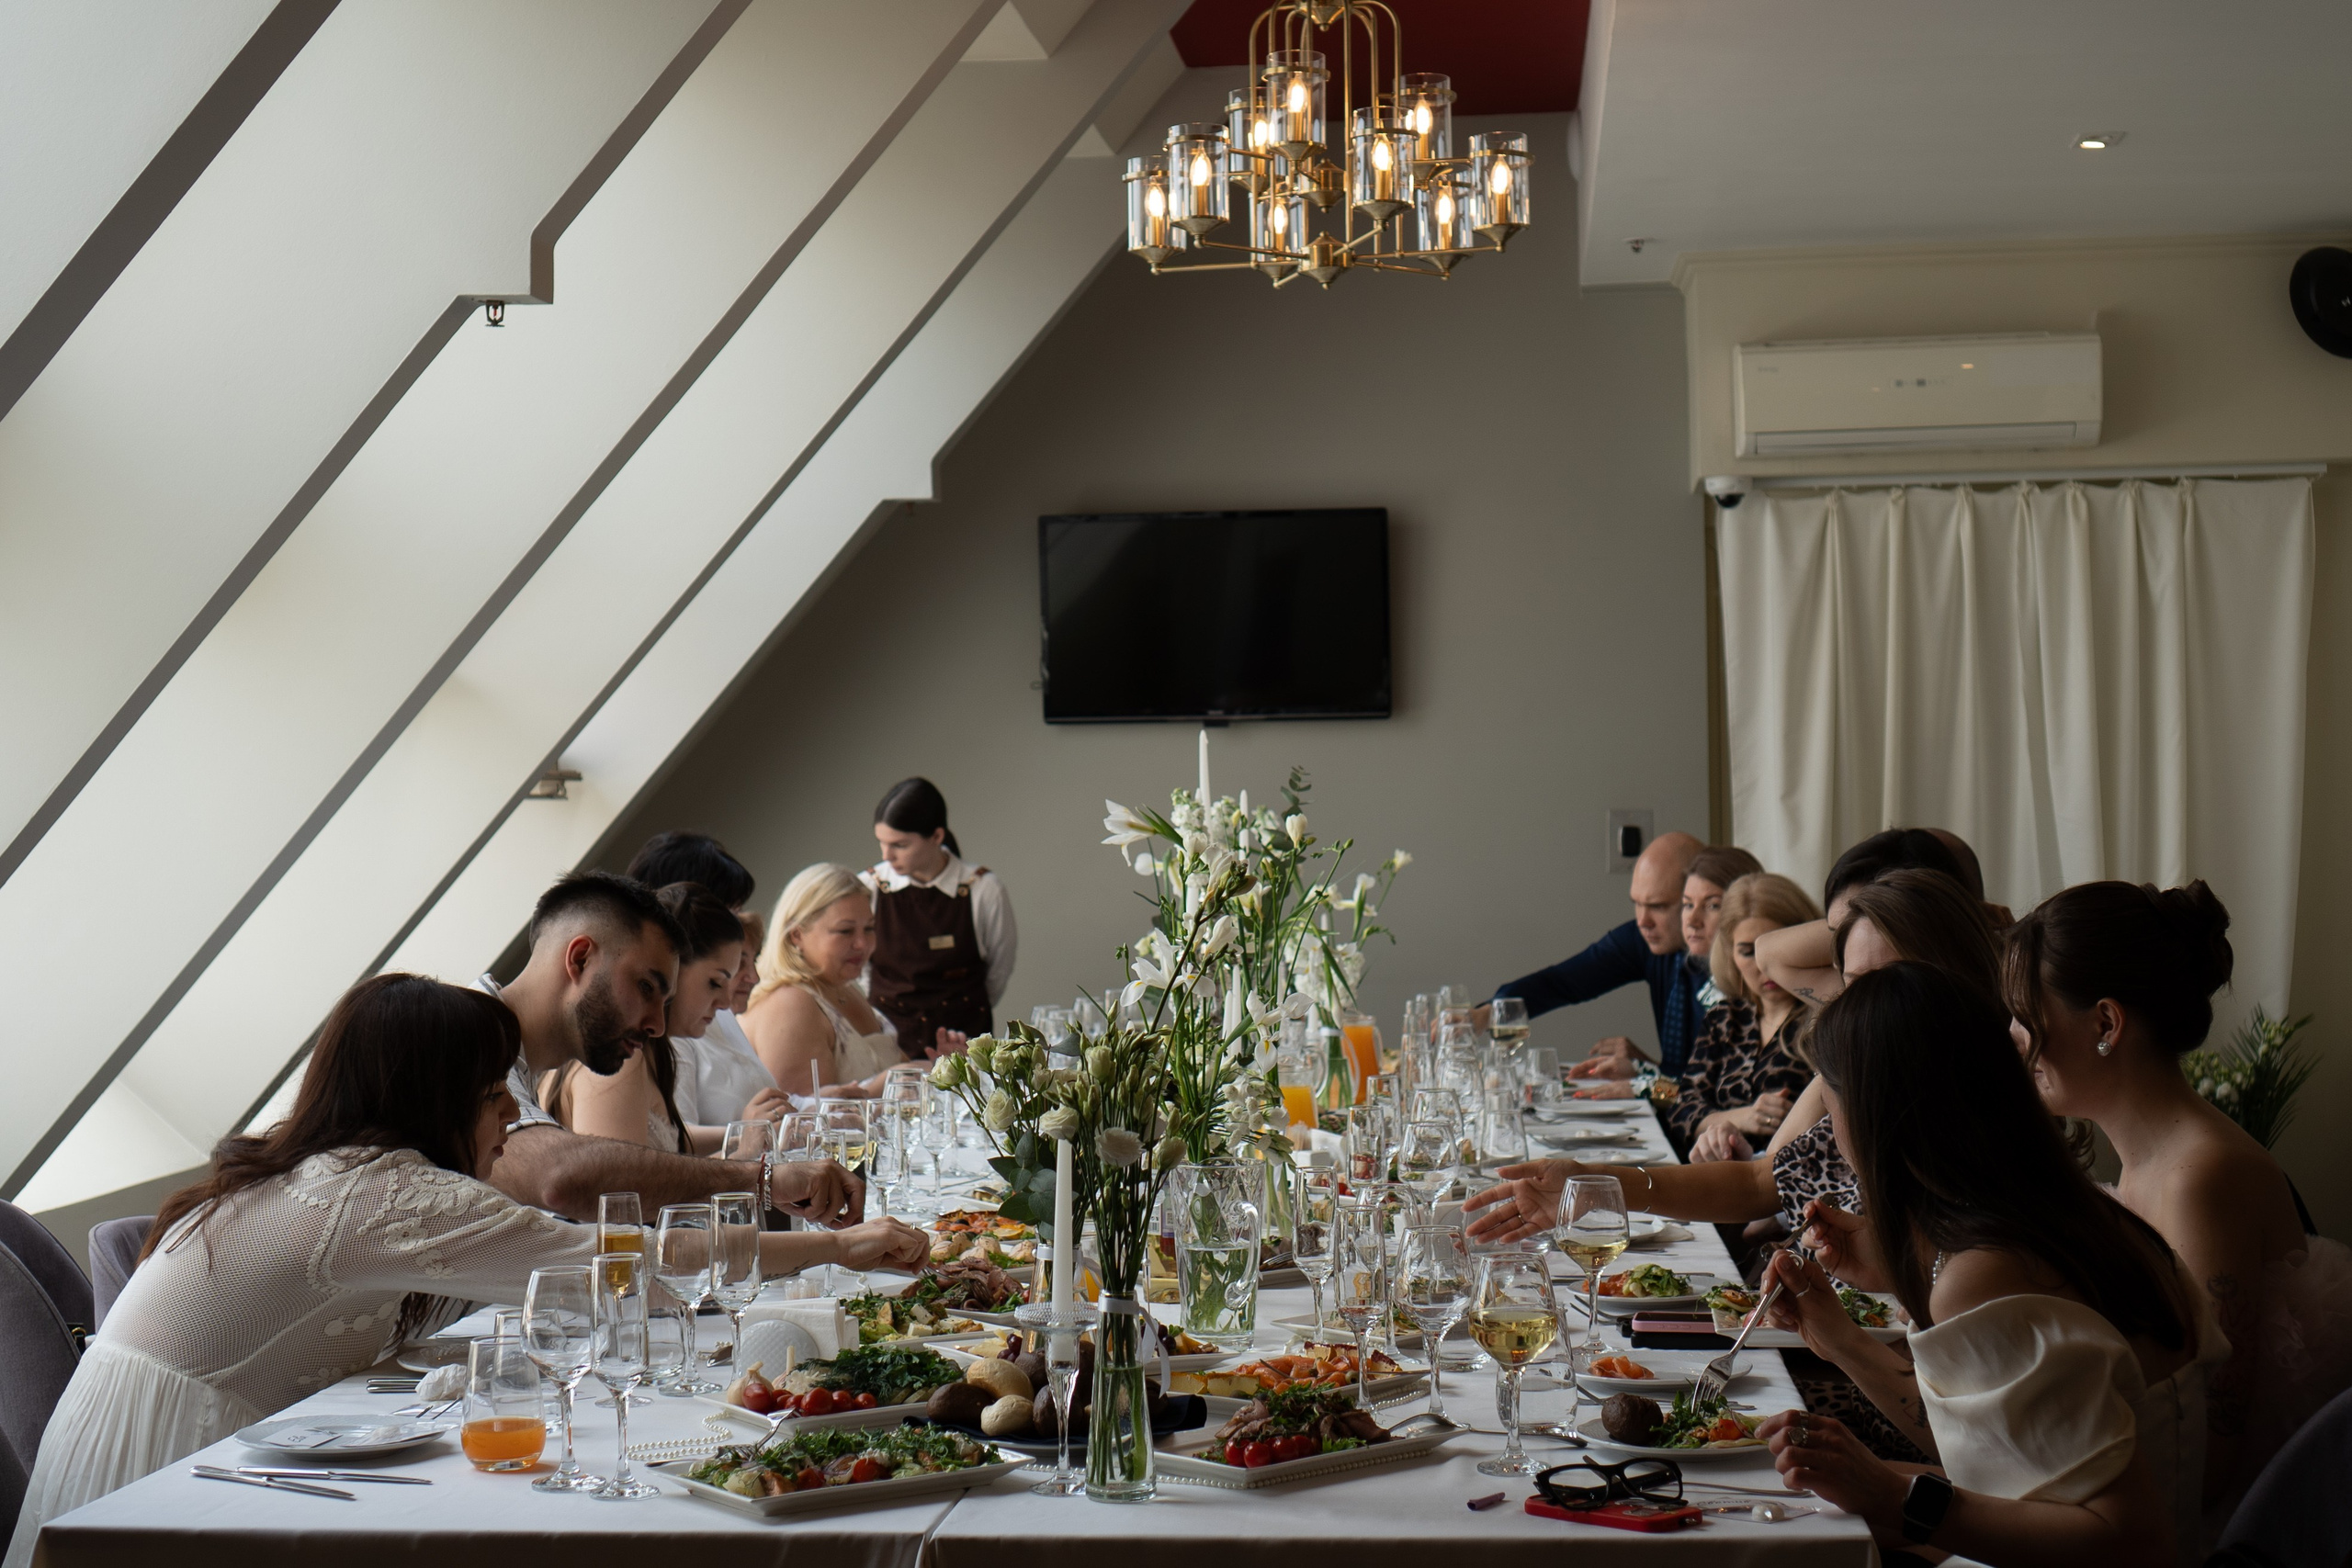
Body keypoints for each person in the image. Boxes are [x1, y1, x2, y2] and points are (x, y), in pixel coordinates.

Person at [4, 976, 605, 1568]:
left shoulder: (318, 1172)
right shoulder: (380, 1191)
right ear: (432, 1096)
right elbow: (602, 1266)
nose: (510, 1110)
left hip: (125, 1452)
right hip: (168, 1474)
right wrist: (692, 1227)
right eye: (490, 1088)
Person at [1752, 962, 2222, 1568]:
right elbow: (2006, 1456)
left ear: (1875, 1116)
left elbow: (2133, 1540)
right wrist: (1840, 1336)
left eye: (1830, 1098)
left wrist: (1896, 1495)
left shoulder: (1989, 1273)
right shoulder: (2080, 1218)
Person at [2005, 880, 2352, 1534]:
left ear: (2106, 1023)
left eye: (2025, 1014)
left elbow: (2206, 1457)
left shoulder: (2201, 1179)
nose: (2014, 1037)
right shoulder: (2151, 1162)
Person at [478, 873, 920, 1267]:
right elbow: (577, 1192)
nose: (655, 1022)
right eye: (645, 987)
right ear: (579, 959)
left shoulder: (508, 1050)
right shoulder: (465, 1041)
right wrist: (764, 1181)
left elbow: (592, 1238)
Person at [545, 883, 749, 1153]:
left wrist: (741, 1137)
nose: (724, 1003)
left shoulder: (652, 1054)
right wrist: (748, 1165)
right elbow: (621, 1186)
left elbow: (665, 1148)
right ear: (675, 970)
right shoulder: (619, 1059)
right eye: (714, 982)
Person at [1489, 831, 1713, 1077]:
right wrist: (1489, 1012)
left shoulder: (1736, 972)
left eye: (1657, 906)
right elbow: (1563, 982)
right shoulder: (1646, 939)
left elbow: (1705, 1102)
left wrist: (1645, 1076)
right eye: (1636, 904)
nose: (1642, 921)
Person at [1569, 843, 1770, 1091]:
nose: (1693, 921)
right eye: (1687, 904)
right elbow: (1692, 1090)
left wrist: (1640, 1087)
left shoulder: (1760, 990)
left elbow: (1703, 1104)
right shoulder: (1707, 983)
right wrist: (1639, 1071)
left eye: (1712, 905)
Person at [625, 831, 783, 1128]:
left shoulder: (715, 1010)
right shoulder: (658, 1031)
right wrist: (743, 1134)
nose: (738, 925)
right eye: (729, 913)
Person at [1668, 871, 1818, 1158]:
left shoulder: (1827, 1020)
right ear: (1731, 956)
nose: (1764, 966)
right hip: (1723, 1177)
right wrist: (1739, 1119)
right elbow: (1681, 1108)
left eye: (1776, 947)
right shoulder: (1725, 1018)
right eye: (1748, 952)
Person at [866, 777, 1015, 1055]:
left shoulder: (983, 889)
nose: (887, 856)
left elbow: (999, 971)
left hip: (964, 1047)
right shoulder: (869, 887)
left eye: (899, 845)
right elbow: (859, 969)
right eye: (881, 843)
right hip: (889, 1048)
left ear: (936, 836)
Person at [1752, 827, 1973, 1007]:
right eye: (1834, 935)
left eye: (1865, 922)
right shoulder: (1858, 995)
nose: (1840, 961)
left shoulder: (1993, 1001)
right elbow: (1767, 951)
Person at [744, 863, 910, 1099]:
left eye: (869, 928)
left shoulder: (846, 988)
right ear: (797, 935)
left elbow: (901, 1069)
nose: (862, 944)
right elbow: (800, 1122)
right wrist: (890, 1082)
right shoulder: (789, 1004)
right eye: (845, 931)